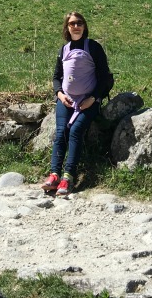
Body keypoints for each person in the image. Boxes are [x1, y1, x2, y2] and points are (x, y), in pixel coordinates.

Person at [41, 11, 113, 197]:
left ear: (84, 26)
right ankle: (54, 175)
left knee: (75, 131)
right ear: (67, 27)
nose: (76, 26)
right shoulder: (63, 50)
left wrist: (94, 98)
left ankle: (68, 176)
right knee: (60, 133)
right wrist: (59, 94)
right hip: (66, 100)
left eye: (79, 23)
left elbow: (105, 77)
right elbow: (57, 77)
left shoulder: (94, 47)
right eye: (72, 23)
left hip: (89, 100)